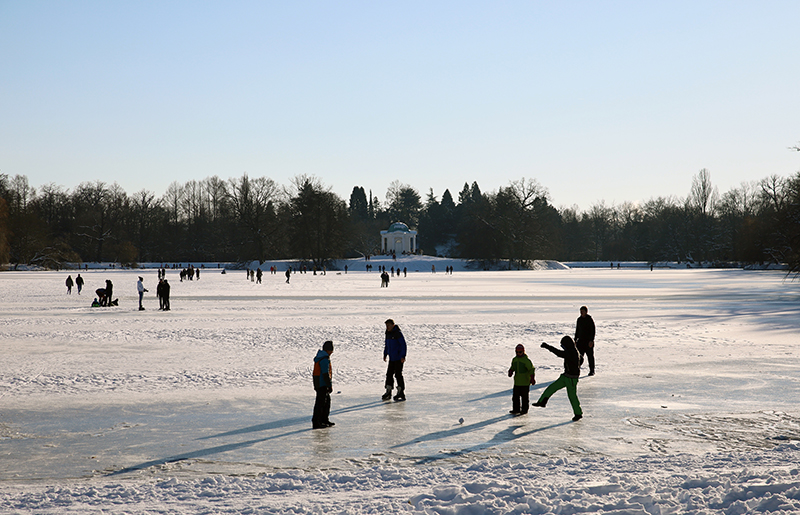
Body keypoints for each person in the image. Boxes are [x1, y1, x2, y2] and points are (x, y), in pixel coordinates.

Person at [533, 336, 583, 422]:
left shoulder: (571, 352)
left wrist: (547, 346)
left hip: (571, 379)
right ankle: (542, 402)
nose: (563, 348)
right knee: (552, 387)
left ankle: (578, 413)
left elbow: (559, 353)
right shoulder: (573, 351)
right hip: (566, 376)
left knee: (572, 397)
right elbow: (581, 359)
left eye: (564, 346)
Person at [312, 340, 335, 429]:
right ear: (328, 350)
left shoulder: (322, 357)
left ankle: (324, 419)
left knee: (326, 402)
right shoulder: (324, 359)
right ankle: (317, 422)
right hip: (322, 385)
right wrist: (329, 385)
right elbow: (325, 374)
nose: (332, 353)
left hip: (319, 384)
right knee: (320, 404)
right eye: (331, 351)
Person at [382, 319, 407, 401]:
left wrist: (403, 356)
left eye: (388, 325)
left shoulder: (397, 333)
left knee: (398, 374)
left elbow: (403, 345)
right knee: (389, 374)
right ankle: (388, 391)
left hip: (398, 358)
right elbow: (387, 345)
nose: (387, 327)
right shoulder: (387, 333)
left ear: (393, 325)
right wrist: (385, 354)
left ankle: (400, 391)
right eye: (386, 325)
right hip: (392, 358)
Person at [508, 344, 535, 415]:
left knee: (524, 397)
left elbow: (531, 369)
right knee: (515, 397)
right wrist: (511, 370)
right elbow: (513, 367)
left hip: (525, 382)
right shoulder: (515, 359)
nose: (518, 353)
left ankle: (524, 409)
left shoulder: (526, 361)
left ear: (523, 352)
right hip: (517, 382)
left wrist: (532, 378)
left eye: (520, 352)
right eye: (517, 352)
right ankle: (516, 409)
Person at [575, 306, 596, 376]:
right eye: (580, 311)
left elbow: (593, 330)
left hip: (588, 342)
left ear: (586, 312)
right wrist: (575, 340)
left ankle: (592, 370)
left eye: (583, 311)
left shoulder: (589, 319)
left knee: (590, 356)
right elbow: (577, 330)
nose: (581, 312)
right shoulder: (579, 320)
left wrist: (591, 340)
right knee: (579, 357)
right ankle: (576, 370)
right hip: (580, 341)